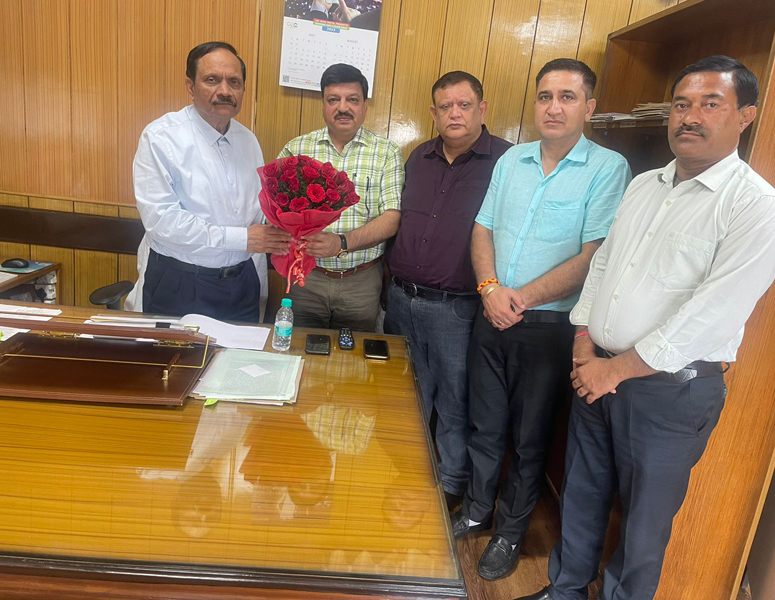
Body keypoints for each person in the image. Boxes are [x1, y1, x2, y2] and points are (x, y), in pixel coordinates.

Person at [518, 56, 775, 600]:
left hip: (671, 393)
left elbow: (713, 311)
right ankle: (564, 590)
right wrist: (583, 345)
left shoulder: (756, 208)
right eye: (682, 104)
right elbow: (602, 266)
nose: (690, 117)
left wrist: (613, 371)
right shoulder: (644, 185)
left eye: (711, 104)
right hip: (596, 369)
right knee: (583, 494)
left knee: (643, 529)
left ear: (746, 116)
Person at [451, 58, 631, 581]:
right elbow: (482, 227)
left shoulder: (607, 168)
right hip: (491, 313)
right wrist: (489, 290)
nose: (554, 107)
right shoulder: (513, 160)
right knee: (485, 425)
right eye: (545, 96)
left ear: (589, 107)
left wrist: (519, 298)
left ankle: (510, 531)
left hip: (548, 328)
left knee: (529, 439)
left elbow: (593, 255)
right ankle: (478, 509)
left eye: (567, 97)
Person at [384, 71, 512, 512]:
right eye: (444, 106)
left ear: (482, 109)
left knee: (455, 401)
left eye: (463, 104)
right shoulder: (418, 156)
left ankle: (452, 484)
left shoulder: (507, 162)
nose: (454, 113)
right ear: (434, 113)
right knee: (405, 393)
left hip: (455, 309)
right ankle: (408, 468)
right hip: (400, 298)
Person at [126, 41, 291, 322]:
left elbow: (255, 210)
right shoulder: (161, 138)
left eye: (234, 82)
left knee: (239, 362)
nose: (225, 91)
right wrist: (244, 238)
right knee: (177, 363)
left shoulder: (248, 141)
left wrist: (287, 226)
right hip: (180, 282)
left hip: (242, 283)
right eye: (212, 80)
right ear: (190, 87)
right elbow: (163, 222)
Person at [278, 63, 404, 332]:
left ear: (365, 105)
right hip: (306, 278)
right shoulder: (296, 149)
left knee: (353, 362)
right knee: (300, 352)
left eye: (352, 100)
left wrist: (341, 243)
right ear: (323, 103)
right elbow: (275, 210)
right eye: (333, 99)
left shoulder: (387, 152)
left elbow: (392, 218)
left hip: (361, 281)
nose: (343, 108)